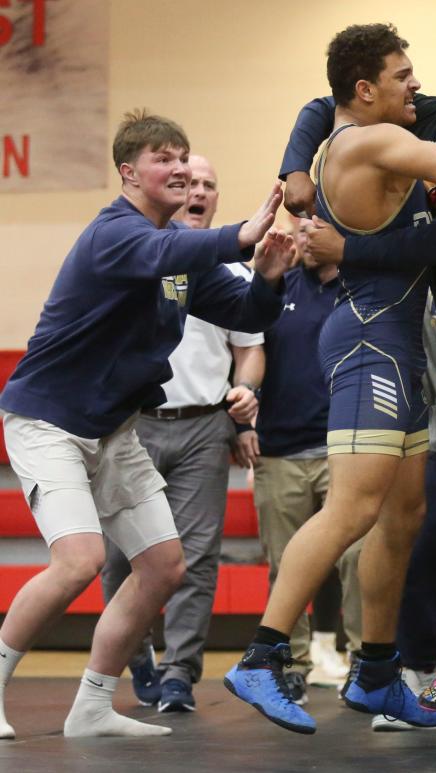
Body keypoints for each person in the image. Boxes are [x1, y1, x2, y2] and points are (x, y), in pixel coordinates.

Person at [223, 23, 436, 736]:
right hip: (370, 338)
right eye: (403, 76)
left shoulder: (349, 128)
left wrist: (296, 169)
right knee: (352, 510)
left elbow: (316, 105)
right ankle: (262, 656)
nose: (417, 85)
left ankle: (375, 670)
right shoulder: (370, 139)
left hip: (394, 341)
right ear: (365, 91)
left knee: (404, 516)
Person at [0, 109, 291, 739]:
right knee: (78, 562)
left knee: (163, 565)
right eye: (165, 158)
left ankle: (94, 707)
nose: (181, 168)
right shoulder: (116, 232)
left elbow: (241, 306)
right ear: (130, 173)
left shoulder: (179, 253)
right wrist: (244, 231)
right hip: (48, 421)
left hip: (111, 428)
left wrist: (267, 274)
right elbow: (166, 250)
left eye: (184, 157)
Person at [98, 154, 267, 714]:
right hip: (134, 423)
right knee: (123, 556)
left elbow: (249, 349)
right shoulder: (138, 253)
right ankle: (136, 651)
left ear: (216, 199)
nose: (197, 191)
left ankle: (179, 674)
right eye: (187, 182)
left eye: (207, 185)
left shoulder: (230, 272)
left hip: (202, 428)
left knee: (196, 558)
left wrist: (245, 397)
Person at [251, 216, 343, 701]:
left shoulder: (362, 288)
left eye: (317, 228)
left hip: (346, 449)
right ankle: (291, 664)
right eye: (299, 229)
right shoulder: (274, 287)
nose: (306, 238)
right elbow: (243, 353)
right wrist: (243, 422)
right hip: (280, 448)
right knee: (284, 567)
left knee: (360, 560)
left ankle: (372, 662)